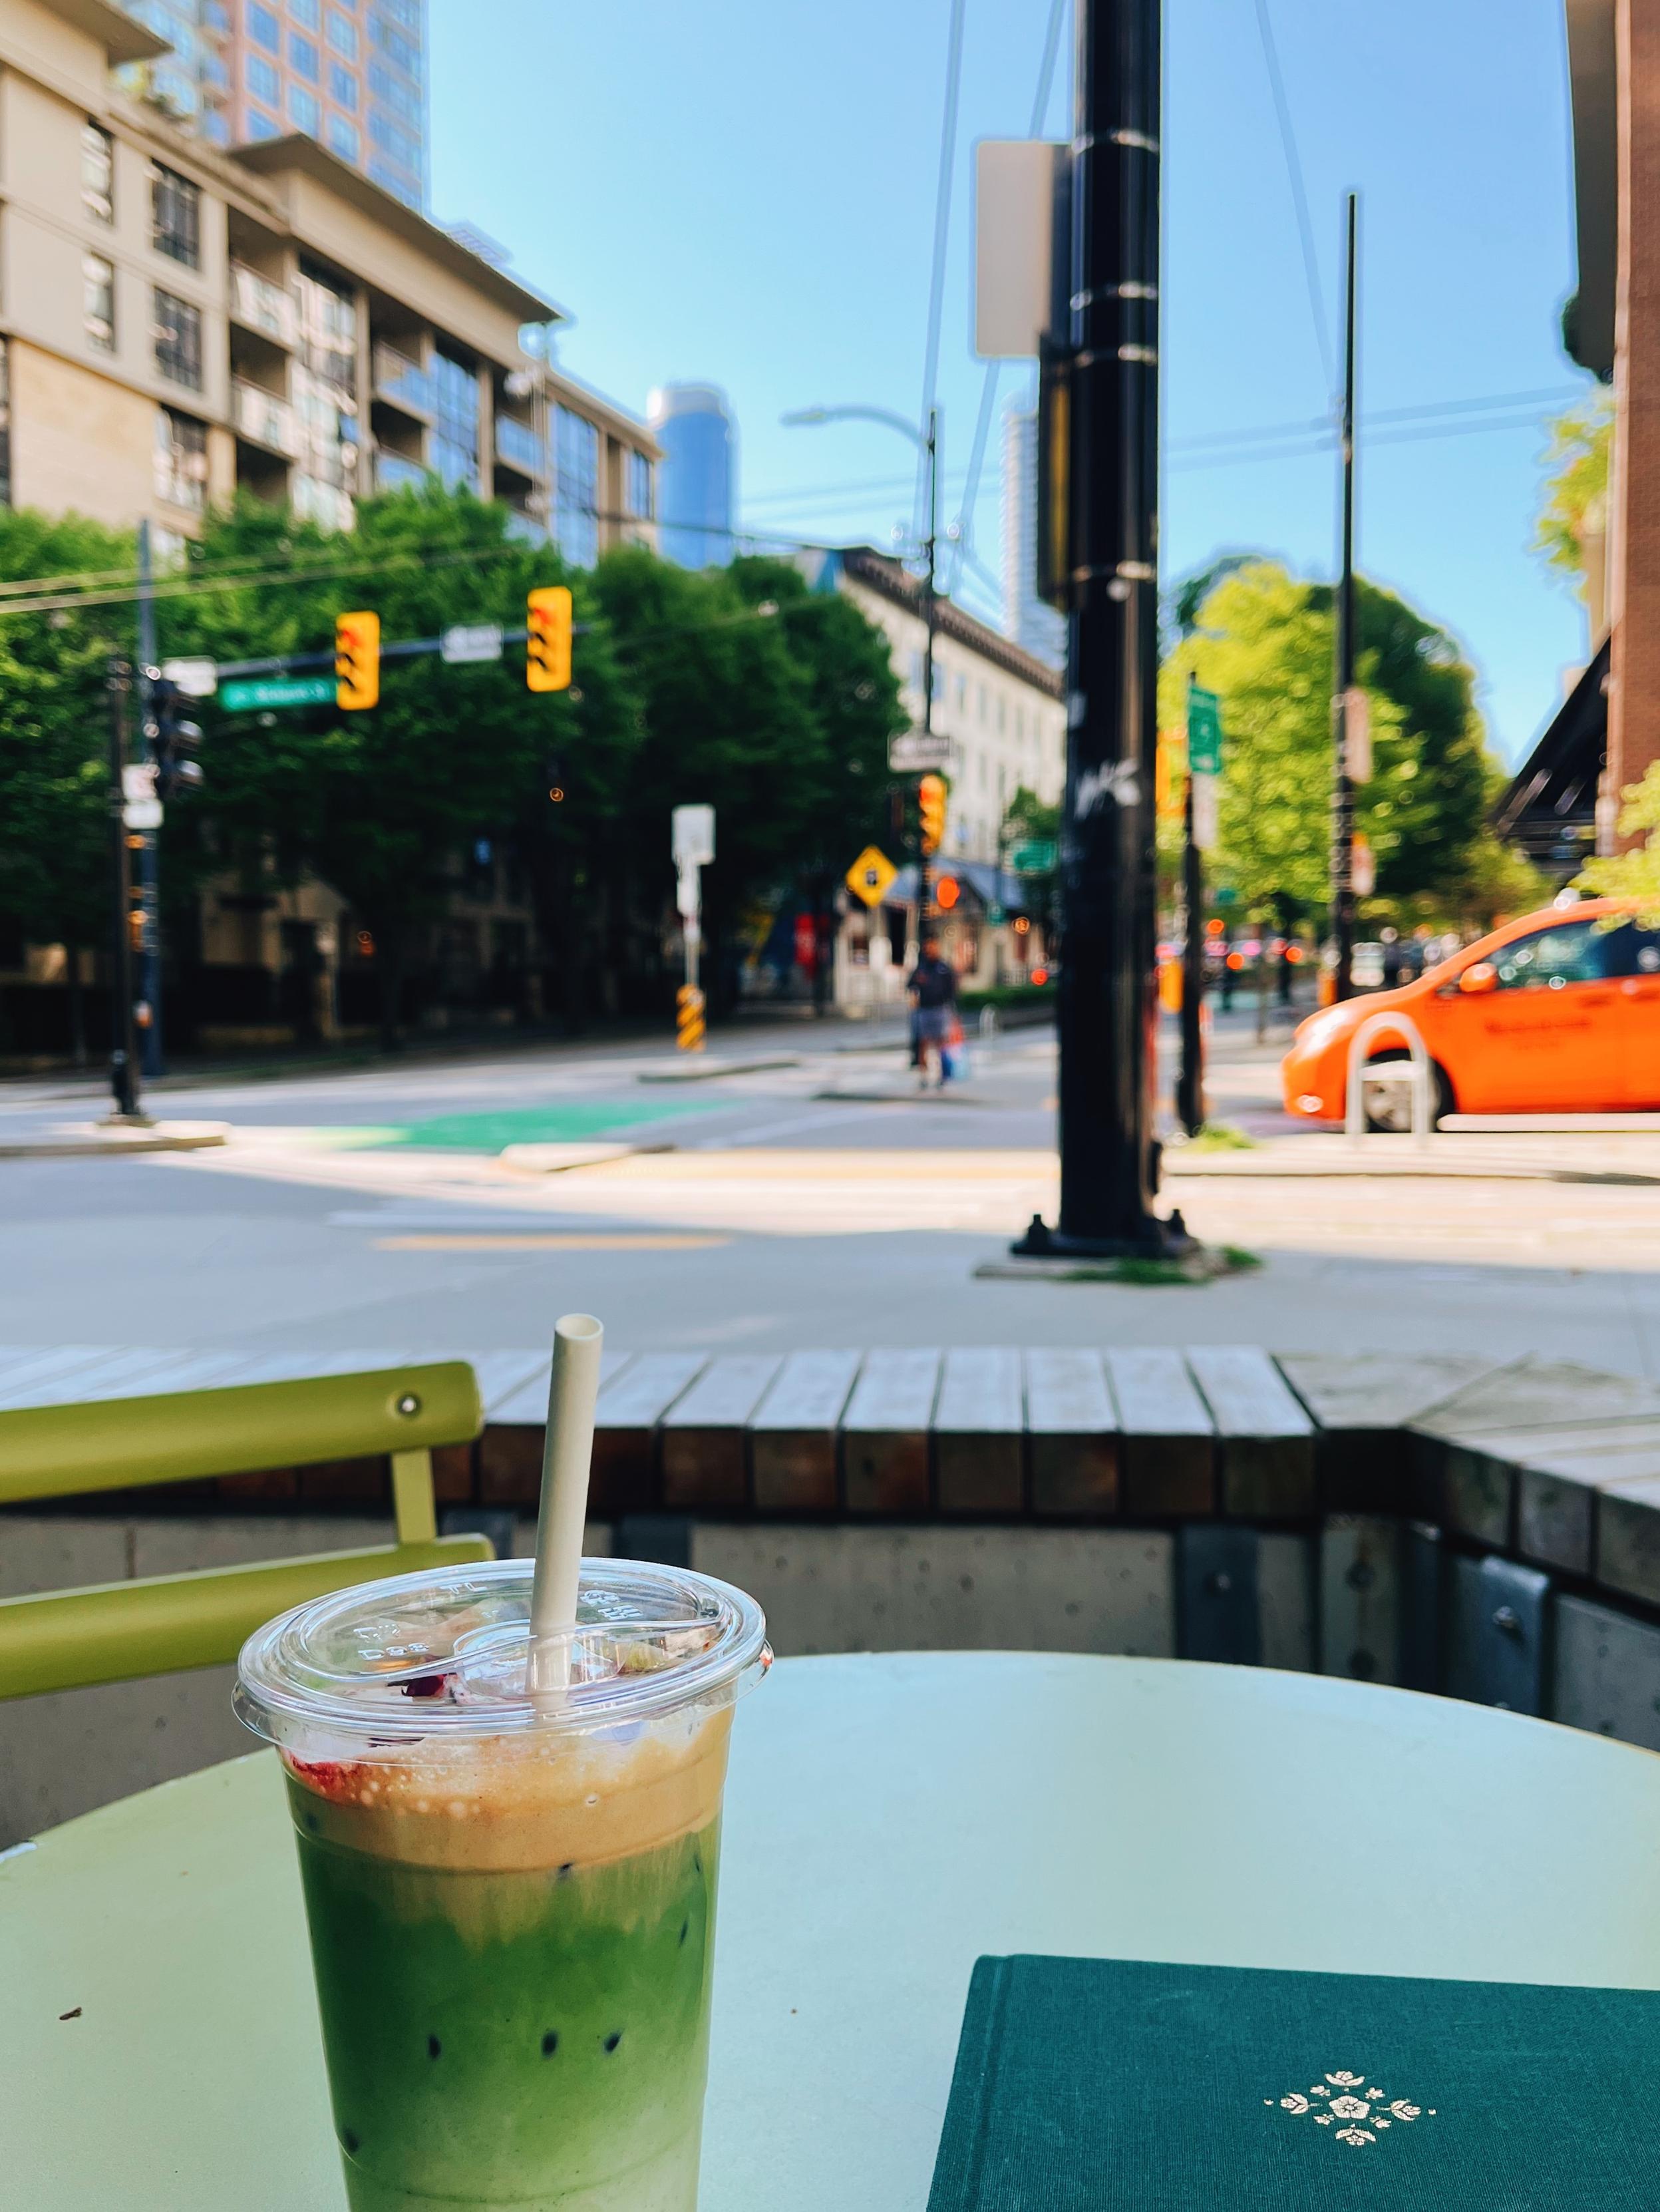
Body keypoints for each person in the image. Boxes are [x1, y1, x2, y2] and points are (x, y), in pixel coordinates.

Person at [906, 933, 958, 1089]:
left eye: (933, 947)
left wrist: (953, 1010)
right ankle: (924, 1076)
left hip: (940, 1009)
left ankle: (942, 1075)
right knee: (923, 1043)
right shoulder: (921, 967)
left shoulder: (943, 967)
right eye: (928, 947)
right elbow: (909, 985)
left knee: (941, 1043)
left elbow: (952, 989)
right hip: (924, 1010)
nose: (930, 950)